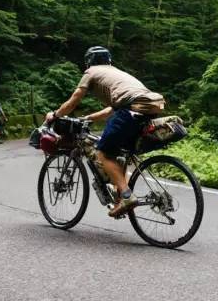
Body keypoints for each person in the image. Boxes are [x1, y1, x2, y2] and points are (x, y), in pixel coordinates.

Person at [45, 46, 165, 218]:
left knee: (103, 153)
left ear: (89, 62)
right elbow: (111, 110)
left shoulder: (92, 72)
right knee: (121, 153)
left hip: (132, 108)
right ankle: (120, 199)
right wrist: (89, 118)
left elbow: (74, 101)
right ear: (108, 60)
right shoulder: (117, 73)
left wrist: (55, 115)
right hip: (152, 105)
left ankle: (126, 196)